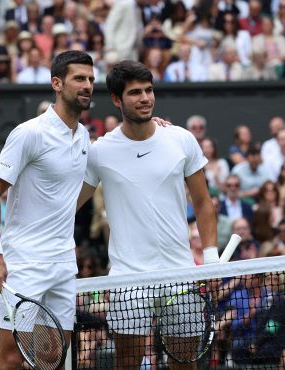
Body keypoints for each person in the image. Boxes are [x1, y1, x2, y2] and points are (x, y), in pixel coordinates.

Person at [76, 60, 218, 369]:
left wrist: (211, 258)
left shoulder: (180, 139)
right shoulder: (99, 151)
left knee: (184, 364)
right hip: (128, 279)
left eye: (149, 90)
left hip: (180, 275)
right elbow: (70, 204)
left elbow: (204, 203)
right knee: (127, 364)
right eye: (135, 92)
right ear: (117, 99)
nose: (145, 98)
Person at [0, 50, 95, 369]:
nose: (87, 85)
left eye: (90, 79)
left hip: (63, 264)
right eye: (79, 78)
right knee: (11, 356)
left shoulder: (84, 136)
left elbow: (69, 197)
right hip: (25, 263)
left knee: (52, 357)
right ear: (57, 83)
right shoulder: (29, 133)